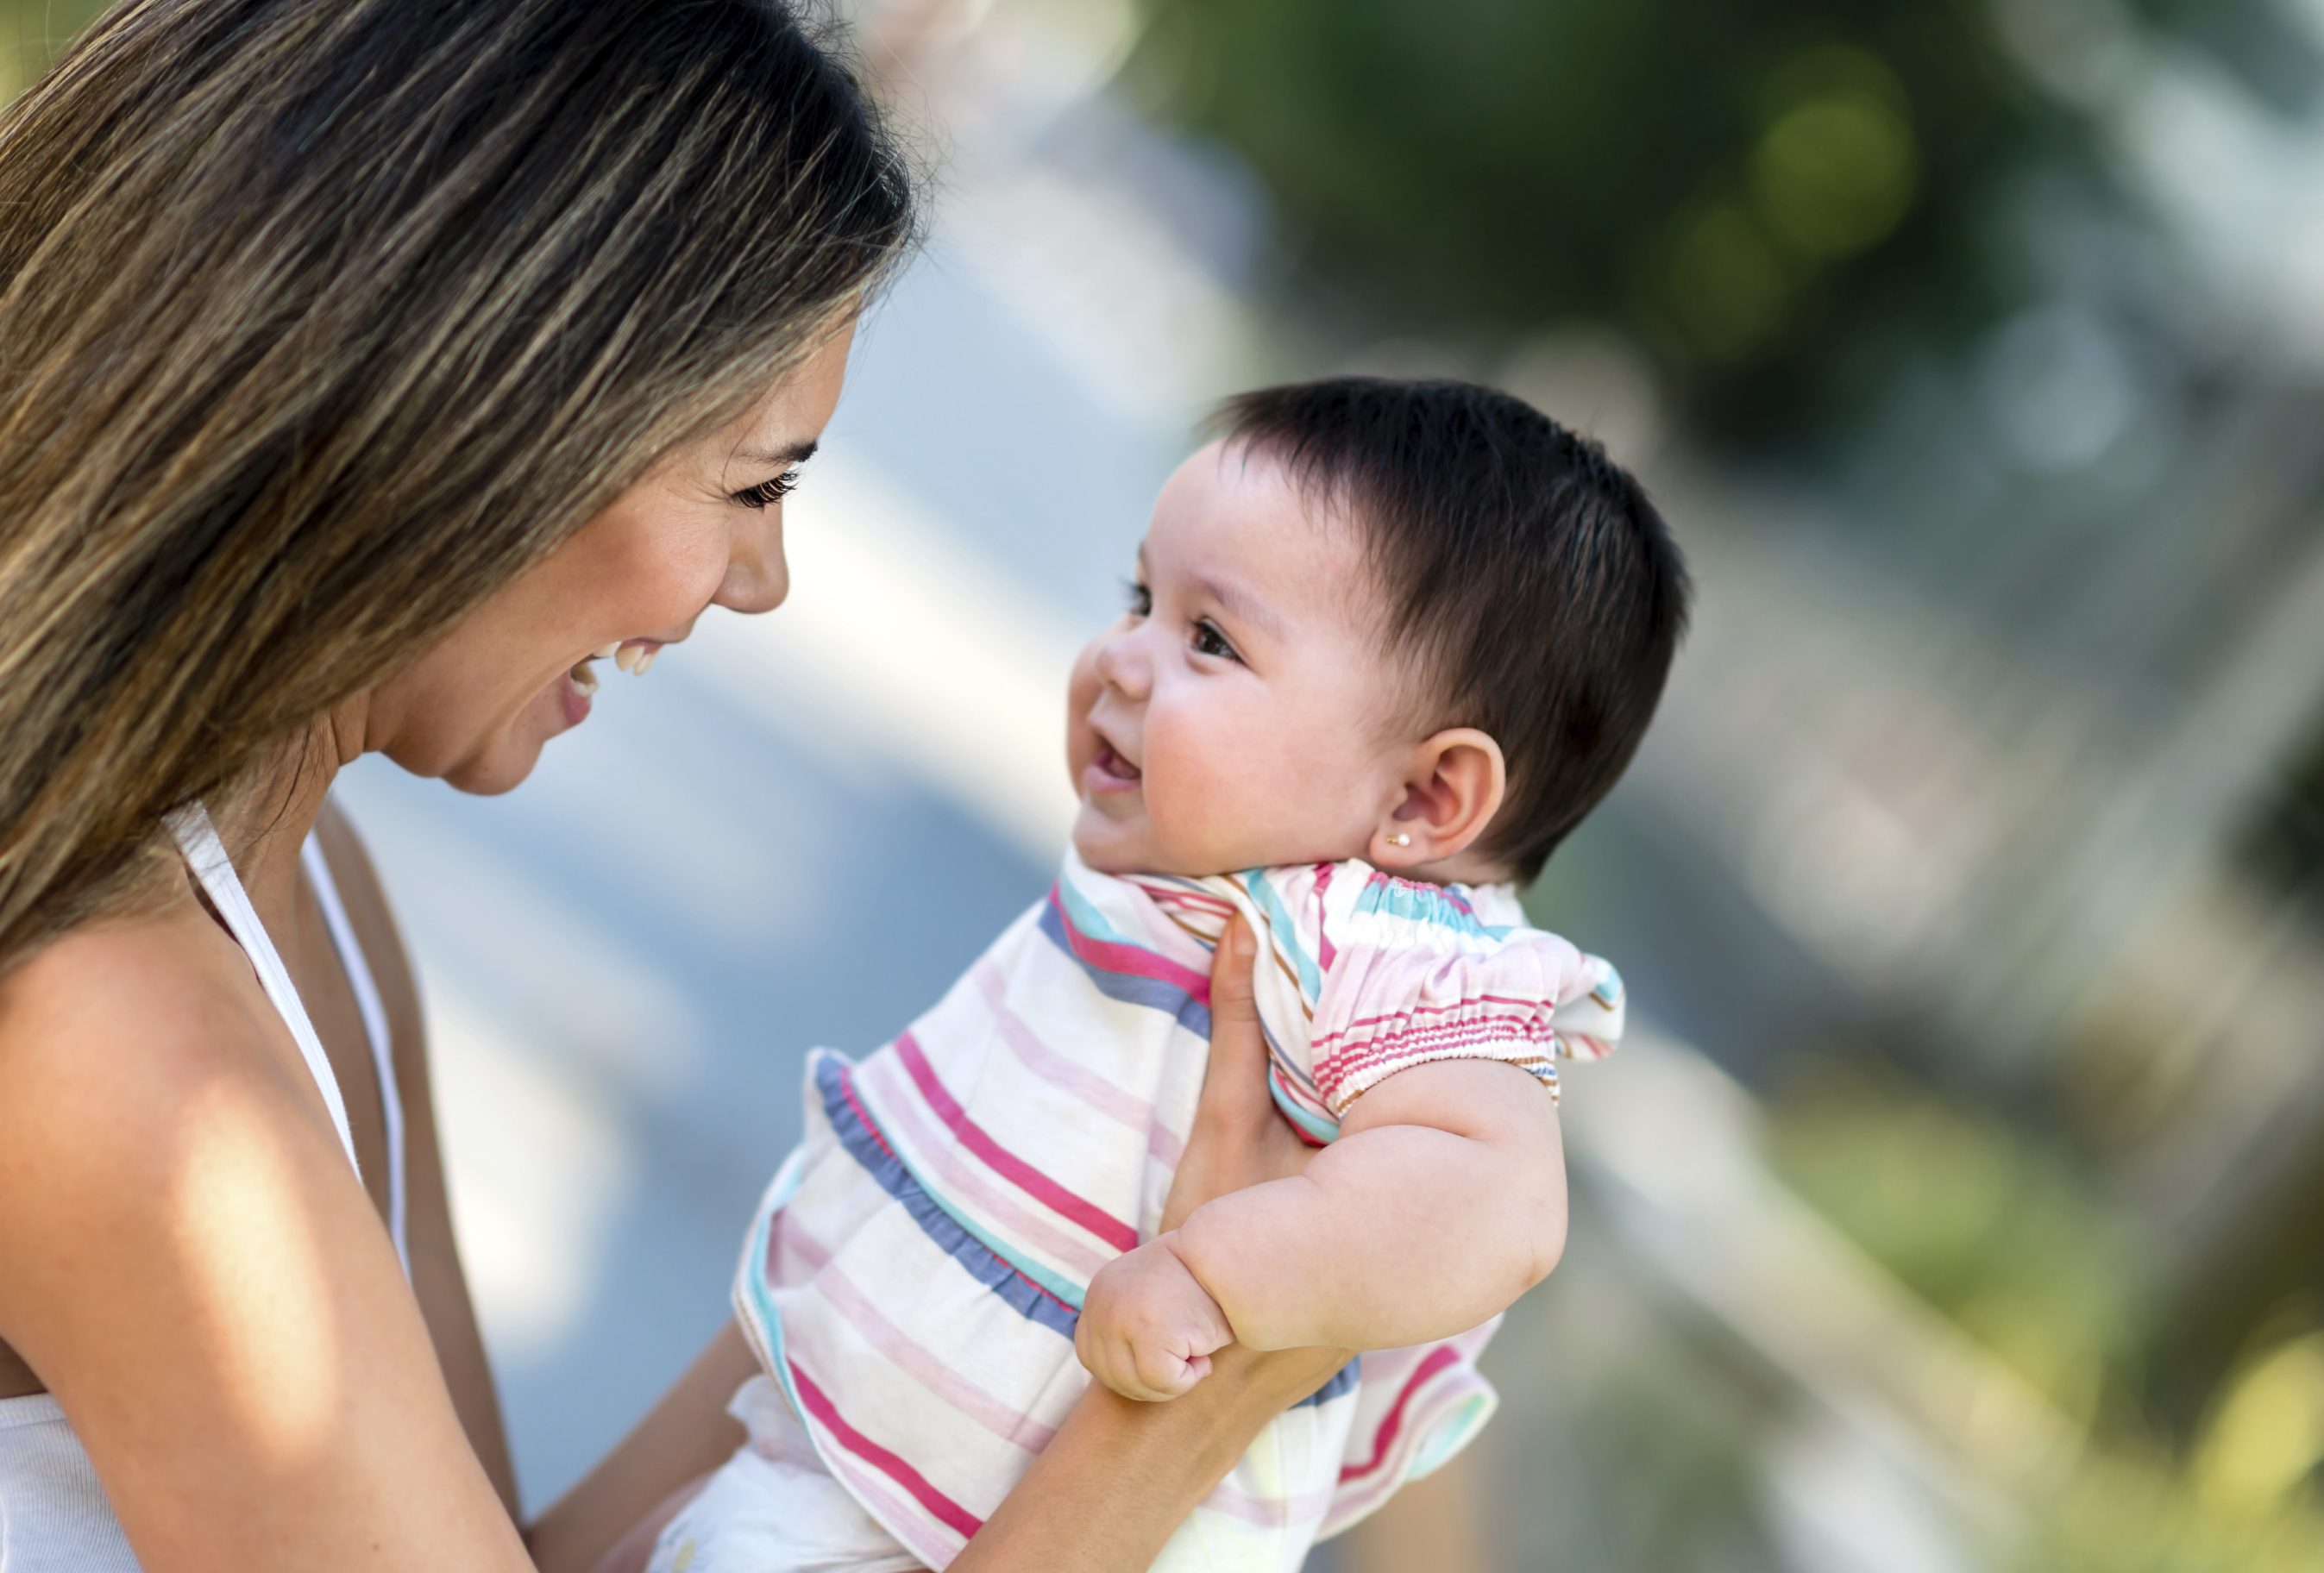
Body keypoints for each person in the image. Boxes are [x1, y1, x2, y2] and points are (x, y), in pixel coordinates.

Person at [0, 3, 1347, 1571]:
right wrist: (1196, 1385)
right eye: (753, 484)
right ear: (493, 405)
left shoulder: (322, 913)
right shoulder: (142, 1067)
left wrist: (923, 1206)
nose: (760, 576)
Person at [625, 378, 1690, 1572]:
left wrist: (1215, 1276)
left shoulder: (1396, 946)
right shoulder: (1210, 879)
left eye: (1208, 639)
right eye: (1139, 599)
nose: (1122, 660)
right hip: (840, 1456)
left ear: (1424, 799)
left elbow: (1499, 1204)